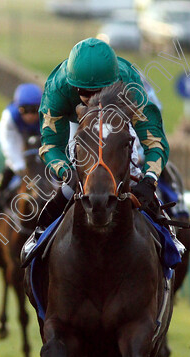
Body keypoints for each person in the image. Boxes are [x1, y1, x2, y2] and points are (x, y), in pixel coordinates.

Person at [34, 38, 169, 234]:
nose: (93, 101)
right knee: (70, 183)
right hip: (77, 125)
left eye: (99, 92)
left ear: (113, 84)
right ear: (73, 86)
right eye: (85, 93)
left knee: (130, 172)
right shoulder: (57, 89)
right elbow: (50, 145)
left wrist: (149, 179)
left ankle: (170, 240)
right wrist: (67, 172)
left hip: (116, 122)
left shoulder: (129, 84)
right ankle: (38, 236)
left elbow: (154, 141)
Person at [0, 83, 43, 214]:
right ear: (18, 108)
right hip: (18, 146)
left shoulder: (48, 115)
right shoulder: (9, 116)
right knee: (7, 172)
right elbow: (8, 144)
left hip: (41, 148)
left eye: (34, 110)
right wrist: (19, 166)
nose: (30, 116)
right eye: (24, 110)